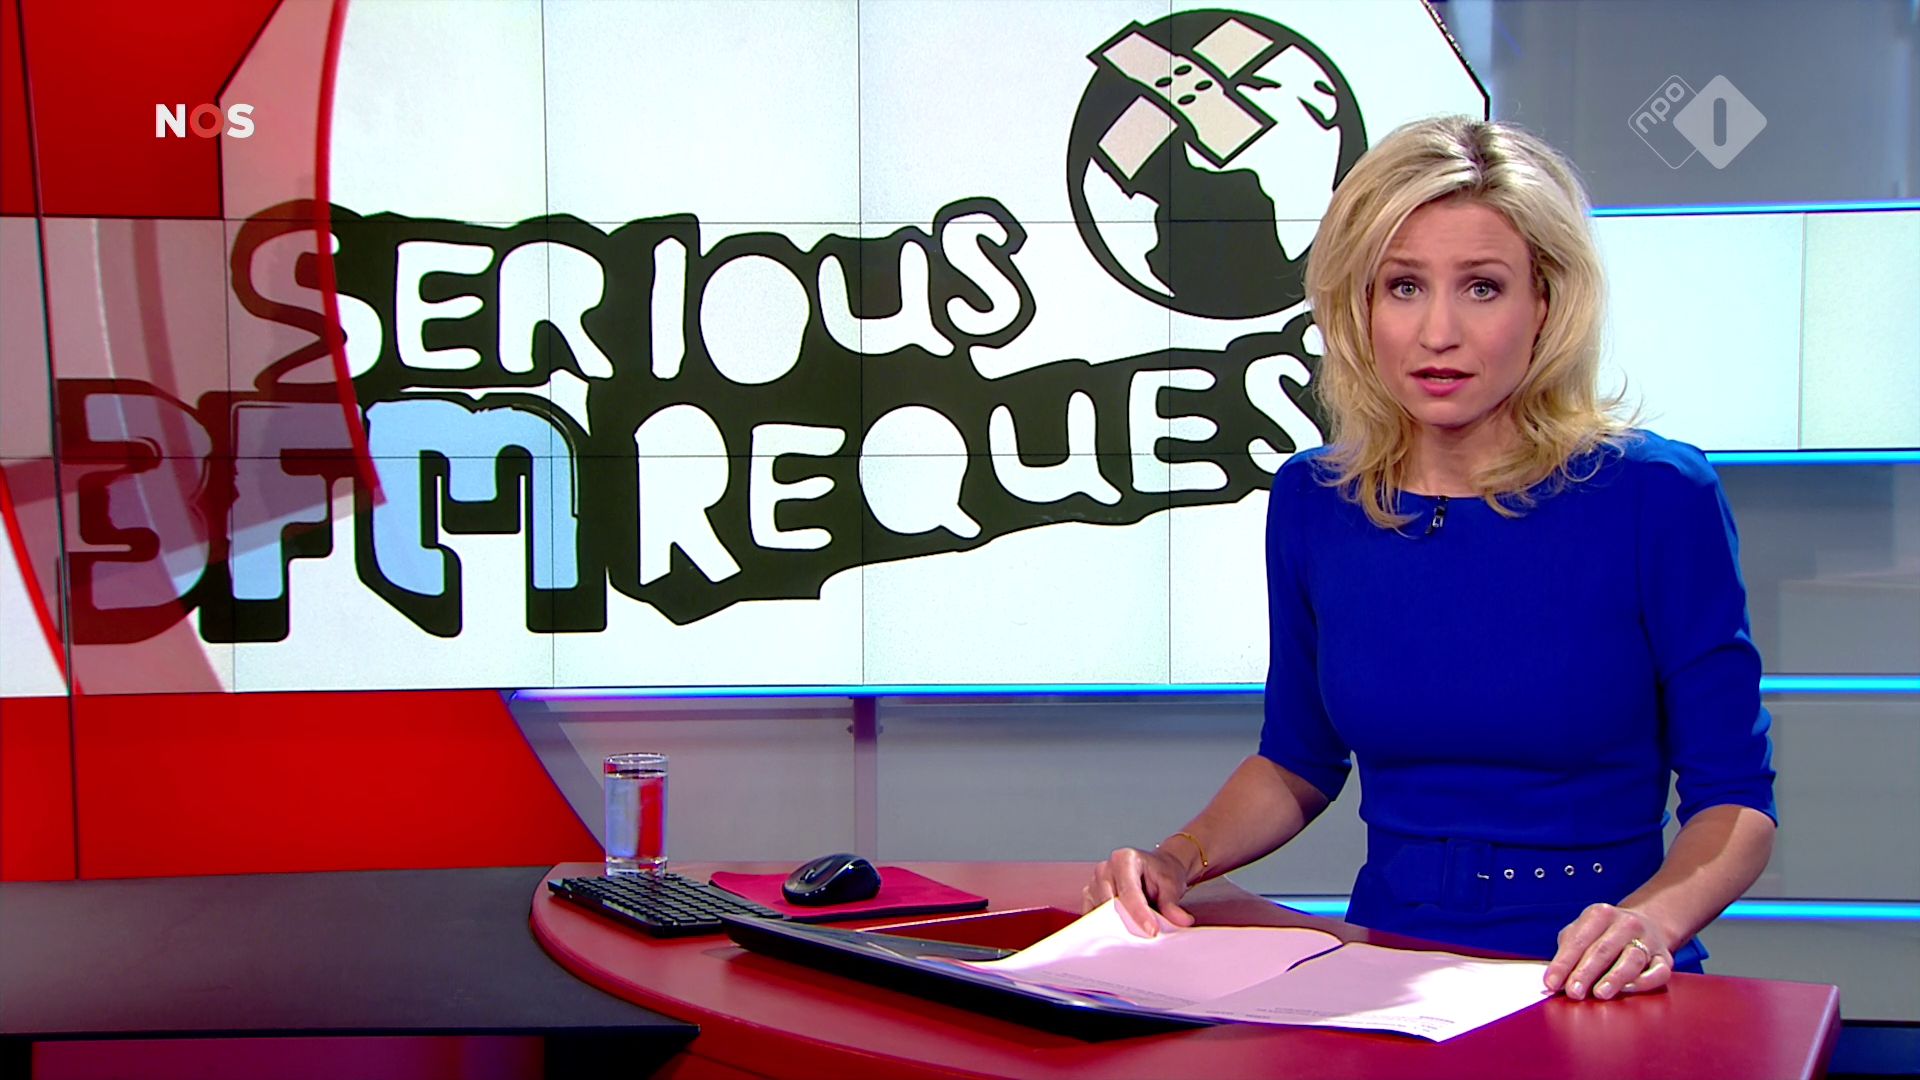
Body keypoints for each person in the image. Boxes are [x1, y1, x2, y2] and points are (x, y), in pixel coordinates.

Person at [1083, 116, 1777, 1003]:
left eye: (1482, 287)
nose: (1438, 331)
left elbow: (1736, 803)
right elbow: (1297, 760)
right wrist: (1178, 858)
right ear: (1359, 306)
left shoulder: (1655, 496)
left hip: (1592, 975)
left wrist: (1650, 922)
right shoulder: (1316, 499)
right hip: (1382, 965)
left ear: (1546, 303)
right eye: (1404, 286)